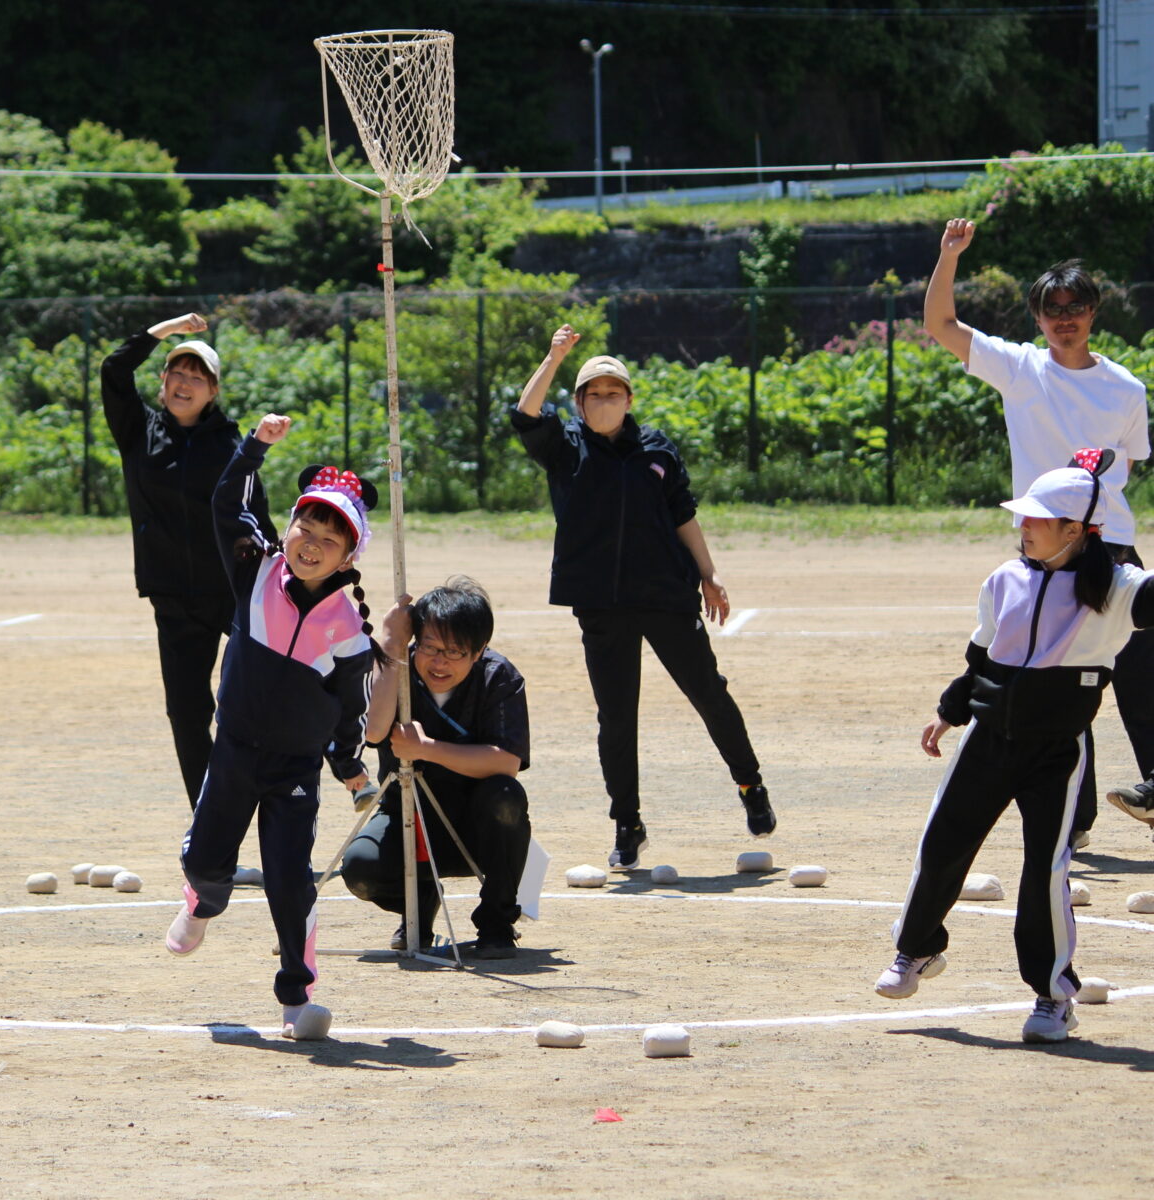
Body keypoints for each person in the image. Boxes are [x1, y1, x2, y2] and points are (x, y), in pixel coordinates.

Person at [875, 458, 1154, 1043]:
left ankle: (1053, 997)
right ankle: (918, 950)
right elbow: (982, 658)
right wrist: (950, 711)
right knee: (942, 843)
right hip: (987, 741)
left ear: (1076, 530)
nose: (1023, 526)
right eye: (1022, 515)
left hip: (1055, 753)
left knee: (1045, 873)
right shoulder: (1005, 578)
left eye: (1038, 518)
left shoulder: (1118, 589)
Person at [924, 220, 1154, 844]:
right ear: (1038, 318)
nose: (1064, 317)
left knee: (1139, 671)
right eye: (1052, 309)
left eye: (1075, 306)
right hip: (1047, 553)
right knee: (1059, 680)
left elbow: (1127, 465)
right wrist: (949, 258)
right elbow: (941, 326)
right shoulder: (1021, 369)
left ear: (1094, 312)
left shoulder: (1126, 388)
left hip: (1108, 545)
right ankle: (1074, 820)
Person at [513, 329, 773, 871]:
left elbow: (683, 512)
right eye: (593, 394)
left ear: (628, 400)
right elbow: (526, 413)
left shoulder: (656, 449)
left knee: (709, 693)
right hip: (601, 604)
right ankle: (626, 823)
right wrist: (556, 356)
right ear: (580, 403)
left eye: (614, 393)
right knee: (617, 717)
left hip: (665, 594)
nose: (604, 401)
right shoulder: (564, 449)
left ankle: (750, 783)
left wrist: (710, 574)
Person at [163, 415, 375, 1040]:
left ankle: (295, 997)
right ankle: (201, 905)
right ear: (289, 528)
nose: (311, 543)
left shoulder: (349, 628)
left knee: (291, 881)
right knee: (207, 859)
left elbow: (351, 706)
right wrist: (255, 447)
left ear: (348, 556)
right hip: (232, 751)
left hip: (293, 769)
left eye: (329, 540)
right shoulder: (255, 569)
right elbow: (226, 500)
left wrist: (348, 762)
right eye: (305, 527)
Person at [100, 314, 276, 848]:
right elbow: (112, 370)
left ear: (214, 390)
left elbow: (257, 516)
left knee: (255, 702)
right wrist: (164, 331)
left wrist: (276, 575)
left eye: (197, 375)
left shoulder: (230, 445)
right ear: (163, 382)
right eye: (176, 370)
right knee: (187, 711)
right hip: (172, 596)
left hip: (232, 593)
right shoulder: (138, 431)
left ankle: (276, 817)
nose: (184, 381)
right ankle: (212, 830)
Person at [342, 577, 532, 959]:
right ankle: (419, 901)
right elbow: (375, 730)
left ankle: (496, 921)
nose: (439, 662)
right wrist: (392, 645)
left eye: (454, 652)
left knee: (506, 798)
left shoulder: (499, 677)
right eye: (428, 647)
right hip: (408, 817)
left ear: (479, 652)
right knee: (361, 869)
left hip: (477, 827)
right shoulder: (396, 664)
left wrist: (427, 749)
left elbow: (506, 761)